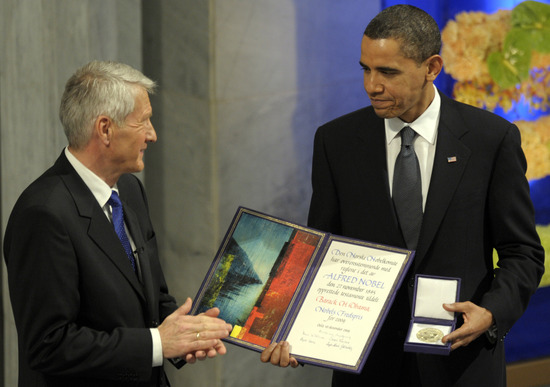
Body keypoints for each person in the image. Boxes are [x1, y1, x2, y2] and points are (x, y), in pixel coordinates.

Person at [262, 4, 545, 386]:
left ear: (431, 68)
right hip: (368, 368)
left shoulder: (491, 139)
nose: (371, 86)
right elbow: (321, 251)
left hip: (460, 365)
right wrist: (295, 326)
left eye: (387, 72)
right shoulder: (336, 142)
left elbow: (522, 253)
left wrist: (491, 313)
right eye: (366, 68)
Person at [3, 60, 232, 387]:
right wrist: (158, 344)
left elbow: (151, 300)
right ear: (105, 129)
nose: (152, 135)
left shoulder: (129, 189)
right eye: (144, 122)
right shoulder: (43, 214)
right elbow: (48, 344)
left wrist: (189, 334)